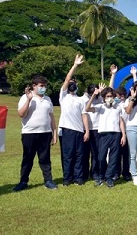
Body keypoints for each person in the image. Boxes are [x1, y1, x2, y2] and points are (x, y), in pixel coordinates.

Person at [14, 75, 58, 191]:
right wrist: (29, 100)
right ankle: (23, 181)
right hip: (29, 133)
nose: (43, 88)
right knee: (27, 159)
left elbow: (51, 116)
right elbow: (21, 114)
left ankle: (48, 181)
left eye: (45, 86)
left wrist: (54, 133)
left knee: (45, 159)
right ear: (34, 86)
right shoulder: (25, 97)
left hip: (45, 133)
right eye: (41, 86)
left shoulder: (47, 99)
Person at [86, 84, 126, 188]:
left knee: (113, 158)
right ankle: (101, 176)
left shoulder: (118, 107)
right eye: (107, 96)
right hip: (103, 134)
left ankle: (109, 178)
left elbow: (121, 121)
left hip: (115, 134)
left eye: (111, 96)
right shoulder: (101, 107)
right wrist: (94, 96)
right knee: (101, 157)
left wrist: (123, 135)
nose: (109, 98)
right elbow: (87, 108)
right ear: (103, 98)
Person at [58, 54, 90, 186]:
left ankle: (78, 178)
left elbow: (84, 115)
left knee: (79, 155)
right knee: (68, 155)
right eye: (71, 83)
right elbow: (67, 79)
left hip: (79, 130)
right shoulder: (63, 96)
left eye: (74, 83)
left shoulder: (80, 99)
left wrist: (86, 131)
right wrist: (75, 65)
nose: (72, 84)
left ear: (77, 86)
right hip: (67, 130)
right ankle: (67, 178)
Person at [81, 83, 101, 182]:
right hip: (85, 129)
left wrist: (113, 75)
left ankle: (94, 172)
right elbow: (86, 108)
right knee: (85, 153)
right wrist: (93, 96)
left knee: (95, 153)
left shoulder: (100, 98)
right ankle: (84, 174)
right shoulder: (83, 99)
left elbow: (109, 90)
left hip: (97, 128)